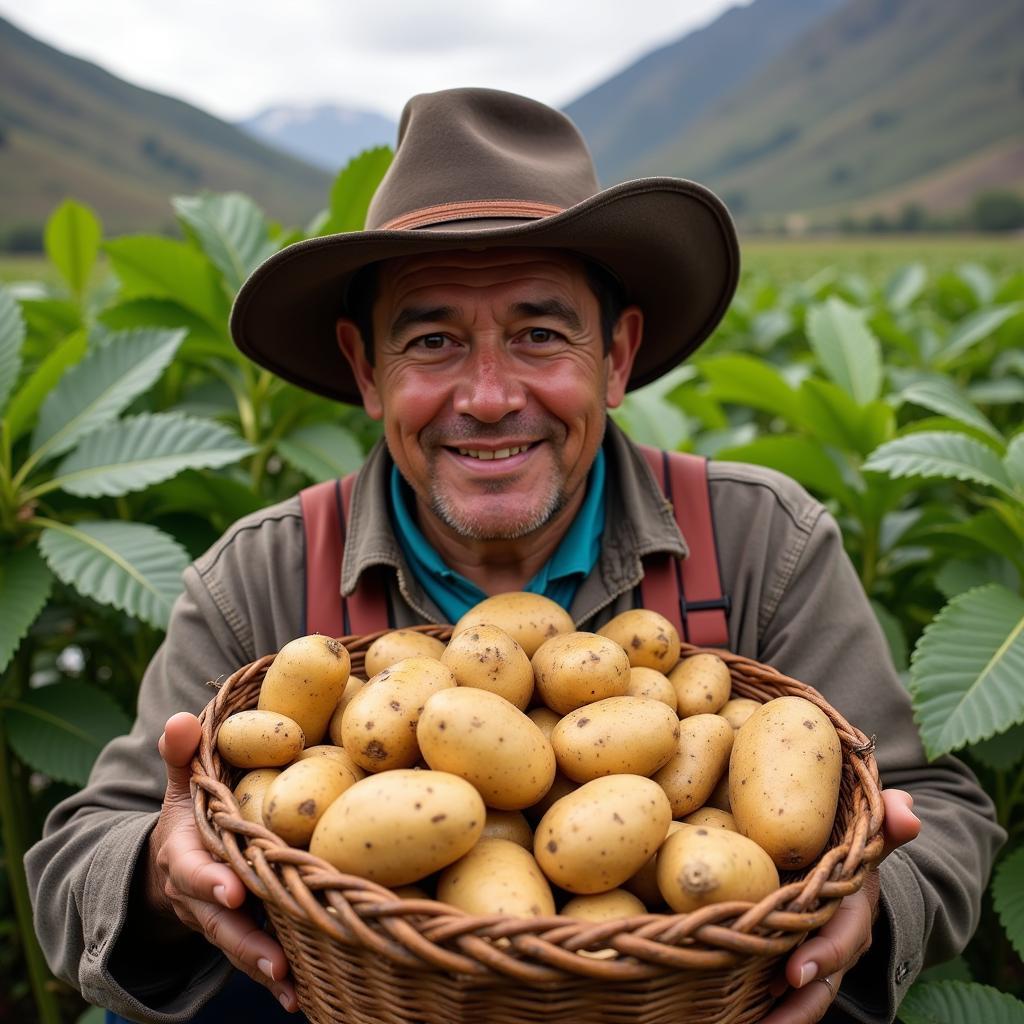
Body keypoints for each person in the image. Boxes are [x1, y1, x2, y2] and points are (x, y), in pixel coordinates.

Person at [27, 88, 1001, 1024]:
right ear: (367, 371)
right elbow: (76, 864)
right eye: (434, 340)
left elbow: (941, 810)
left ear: (616, 356)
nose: (489, 395)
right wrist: (163, 871)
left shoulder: (759, 542)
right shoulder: (262, 576)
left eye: (539, 334)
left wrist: (876, 907)